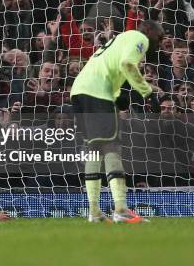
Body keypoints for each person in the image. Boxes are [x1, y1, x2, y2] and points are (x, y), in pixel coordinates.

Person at [70, 20, 164, 223]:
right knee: (111, 146)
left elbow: (110, 67)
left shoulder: (119, 39)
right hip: (96, 93)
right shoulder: (139, 37)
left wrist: (117, 94)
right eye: (159, 36)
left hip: (79, 91)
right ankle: (121, 209)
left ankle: (94, 212)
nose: (160, 41)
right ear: (148, 30)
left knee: (93, 150)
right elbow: (127, 64)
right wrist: (148, 93)